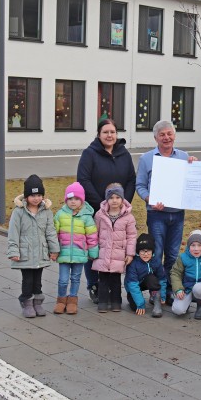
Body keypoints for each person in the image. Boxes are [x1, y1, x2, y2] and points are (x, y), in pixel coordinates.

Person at [136, 120, 197, 304]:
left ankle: (169, 290)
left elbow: (192, 180)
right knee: (156, 253)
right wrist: (150, 199)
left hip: (177, 214)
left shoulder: (184, 156)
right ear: (155, 138)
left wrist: (196, 165)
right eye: (162, 134)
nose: (166, 137)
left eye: (169, 134)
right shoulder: (146, 158)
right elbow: (140, 186)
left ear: (174, 136)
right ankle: (156, 290)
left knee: (172, 254)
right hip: (156, 214)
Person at [77, 119, 136, 304]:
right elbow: (83, 180)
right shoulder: (89, 154)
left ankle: (111, 286)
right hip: (96, 211)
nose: (109, 135)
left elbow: (131, 180)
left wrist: (122, 204)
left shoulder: (124, 154)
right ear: (98, 134)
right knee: (95, 247)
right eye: (105, 132)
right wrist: (103, 205)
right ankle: (94, 285)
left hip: (119, 213)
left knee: (115, 248)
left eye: (112, 132)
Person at [6, 175, 59, 318]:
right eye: (33, 195)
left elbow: (50, 231)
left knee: (38, 281)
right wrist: (13, 251)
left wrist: (54, 250)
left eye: (39, 195)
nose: (36, 198)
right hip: (25, 253)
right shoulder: (19, 212)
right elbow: (13, 233)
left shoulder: (46, 212)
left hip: (41, 252)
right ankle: (27, 302)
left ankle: (37, 303)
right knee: (27, 280)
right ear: (26, 196)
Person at [52, 182, 98, 315]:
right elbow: (54, 234)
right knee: (63, 280)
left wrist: (93, 252)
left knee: (76, 278)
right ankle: (61, 300)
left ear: (82, 200)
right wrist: (53, 250)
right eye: (70, 199)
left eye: (76, 199)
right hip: (64, 253)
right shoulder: (60, 215)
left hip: (80, 253)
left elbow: (92, 236)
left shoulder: (87, 217)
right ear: (66, 199)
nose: (73, 202)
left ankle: (72, 300)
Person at [92, 183, 137, 312]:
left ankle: (116, 301)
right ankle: (103, 301)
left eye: (117, 197)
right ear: (107, 199)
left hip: (118, 253)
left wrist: (130, 253)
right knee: (103, 278)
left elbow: (132, 236)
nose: (114, 200)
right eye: (111, 198)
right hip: (103, 252)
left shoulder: (128, 217)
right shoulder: (100, 215)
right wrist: (93, 250)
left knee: (116, 279)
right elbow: (94, 233)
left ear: (122, 199)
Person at [170, 230, 201, 320]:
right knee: (177, 310)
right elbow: (175, 273)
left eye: (200, 245)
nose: (196, 249)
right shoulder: (183, 257)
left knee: (199, 288)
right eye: (193, 245)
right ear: (188, 246)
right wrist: (178, 289)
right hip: (187, 287)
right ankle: (186, 303)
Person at [124, 233, 168, 318]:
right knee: (135, 307)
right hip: (134, 285)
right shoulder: (133, 263)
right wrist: (140, 303)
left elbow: (162, 279)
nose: (145, 254)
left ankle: (156, 300)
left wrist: (162, 295)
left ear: (153, 251)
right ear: (138, 251)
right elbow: (132, 284)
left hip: (149, 281)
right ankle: (135, 300)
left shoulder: (156, 260)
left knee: (152, 279)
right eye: (142, 251)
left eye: (148, 251)